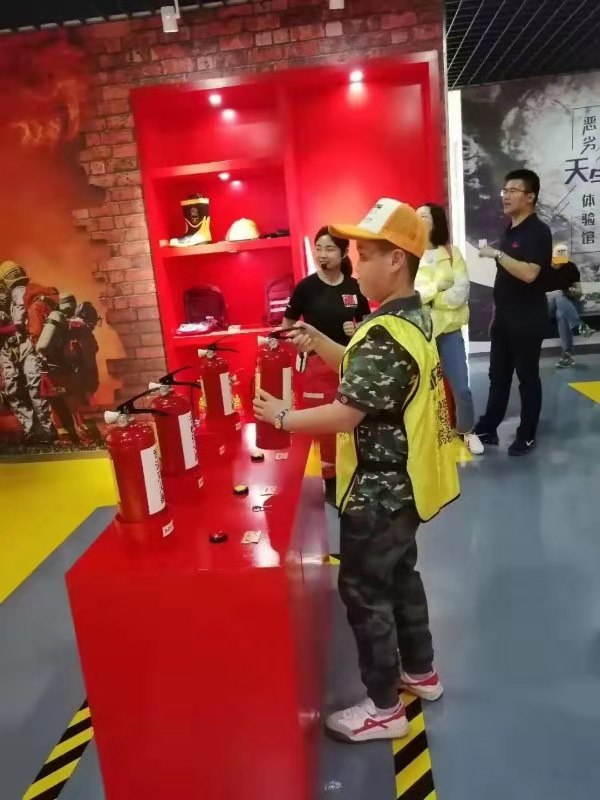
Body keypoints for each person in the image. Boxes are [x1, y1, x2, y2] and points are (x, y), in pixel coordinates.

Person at [254, 199, 459, 744]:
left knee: (366, 591)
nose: (355, 264)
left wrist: (282, 416)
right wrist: (320, 341)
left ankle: (384, 708)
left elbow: (348, 413)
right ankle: (421, 671)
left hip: (378, 491)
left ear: (396, 260)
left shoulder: (386, 331)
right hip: (406, 485)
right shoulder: (409, 317)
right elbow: (365, 371)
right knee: (401, 577)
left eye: (364, 255)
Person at [282, 227, 370, 505]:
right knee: (324, 426)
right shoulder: (306, 287)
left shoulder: (354, 287)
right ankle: (329, 479)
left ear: (343, 253)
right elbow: (287, 327)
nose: (322, 254)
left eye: (329, 249)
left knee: (353, 418)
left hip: (348, 363)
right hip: (316, 366)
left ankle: (355, 472)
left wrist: (357, 328)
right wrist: (299, 341)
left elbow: (367, 323)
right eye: (318, 248)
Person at [474, 169, 552, 456]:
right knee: (498, 375)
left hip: (528, 318)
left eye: (513, 191)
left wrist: (496, 254)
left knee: (527, 377)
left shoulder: (538, 231)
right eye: (504, 191)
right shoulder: (510, 229)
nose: (506, 196)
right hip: (505, 318)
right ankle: (488, 427)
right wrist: (497, 315)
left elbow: (530, 274)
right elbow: (505, 278)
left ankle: (527, 435)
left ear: (530, 196)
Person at [415, 203, 484, 455]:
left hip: (449, 332)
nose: (418, 219)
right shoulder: (409, 255)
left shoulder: (452, 253)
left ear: (436, 221)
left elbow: (460, 293)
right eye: (416, 216)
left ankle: (467, 430)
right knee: (420, 390)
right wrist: (438, 289)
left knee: (461, 388)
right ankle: (423, 435)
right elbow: (413, 295)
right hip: (419, 333)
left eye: (424, 216)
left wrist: (431, 299)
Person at [0, 260, 55, 443]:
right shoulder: (12, 295)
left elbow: (18, 323)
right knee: (14, 389)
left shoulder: (21, 293)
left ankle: (45, 431)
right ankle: (34, 432)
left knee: (33, 388)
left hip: (24, 345)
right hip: (9, 348)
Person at [546, 243, 595, 368]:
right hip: (547, 304)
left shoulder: (571, 267)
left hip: (568, 304)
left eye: (563, 260)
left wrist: (574, 291)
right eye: (558, 260)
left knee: (561, 313)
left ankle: (567, 355)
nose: (560, 264)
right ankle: (579, 325)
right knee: (558, 294)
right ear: (552, 257)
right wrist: (557, 293)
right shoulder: (543, 268)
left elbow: (579, 291)